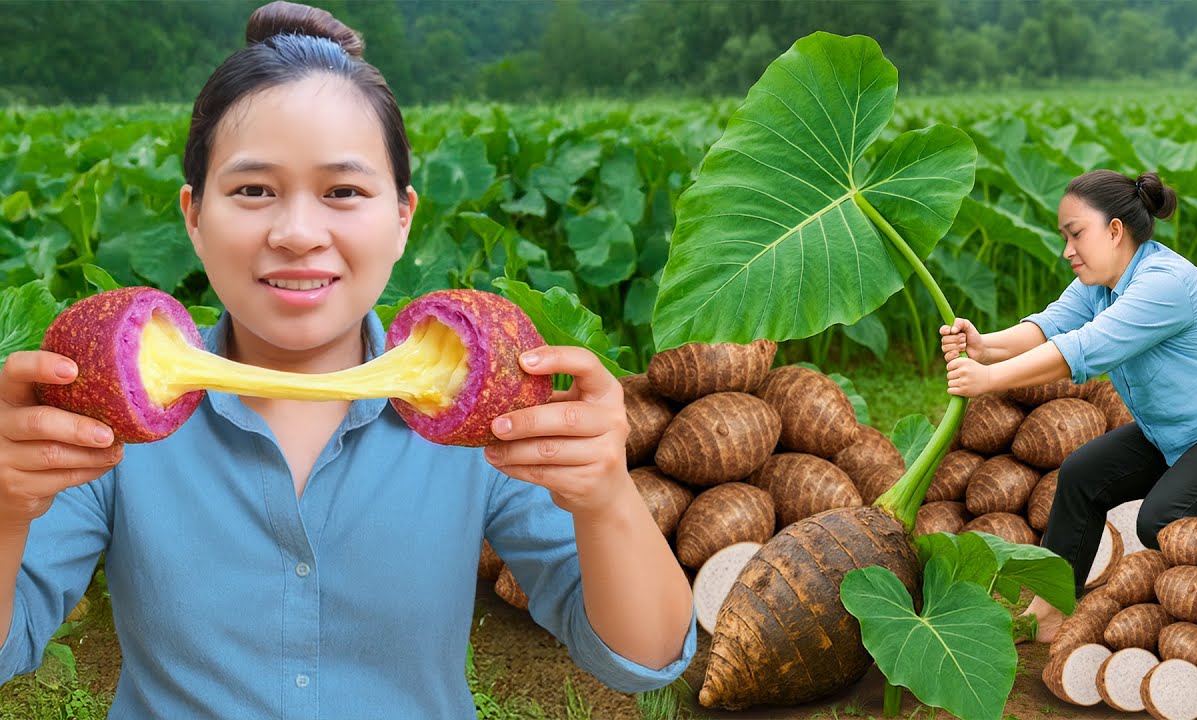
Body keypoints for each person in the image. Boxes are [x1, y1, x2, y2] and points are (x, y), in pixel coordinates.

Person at [0, 2, 695, 716]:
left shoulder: (487, 410)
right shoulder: (101, 414)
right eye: (253, 190)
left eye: (343, 192)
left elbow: (643, 658)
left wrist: (606, 497)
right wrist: (4, 511)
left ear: (402, 219)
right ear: (194, 217)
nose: (298, 233)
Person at [939, 169, 1197, 642]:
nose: (1067, 250)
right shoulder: (1098, 284)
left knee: (1161, 520)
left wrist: (991, 378)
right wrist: (985, 345)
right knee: (1083, 475)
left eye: (1076, 234)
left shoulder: (1164, 285)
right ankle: (1049, 612)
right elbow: (1050, 325)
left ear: (1115, 230)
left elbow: (1083, 350)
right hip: (1183, 430)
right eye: (1065, 237)